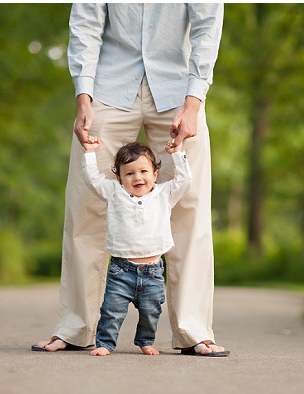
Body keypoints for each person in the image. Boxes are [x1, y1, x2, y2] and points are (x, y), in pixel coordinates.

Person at [33, 4, 229, 356]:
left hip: (178, 92)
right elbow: (86, 27)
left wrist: (194, 102)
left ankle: (193, 329)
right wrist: (83, 97)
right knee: (85, 203)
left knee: (189, 205)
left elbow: (206, 28)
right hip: (107, 90)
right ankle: (76, 326)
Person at [80, 138, 191, 356]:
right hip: (121, 270)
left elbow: (185, 180)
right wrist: (89, 152)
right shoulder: (114, 192)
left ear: (155, 174)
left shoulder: (164, 194)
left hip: (153, 272)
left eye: (143, 171)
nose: (137, 177)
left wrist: (177, 153)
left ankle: (145, 341)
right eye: (129, 173)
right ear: (119, 177)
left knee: (152, 311)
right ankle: (105, 344)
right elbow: (92, 179)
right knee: (111, 311)